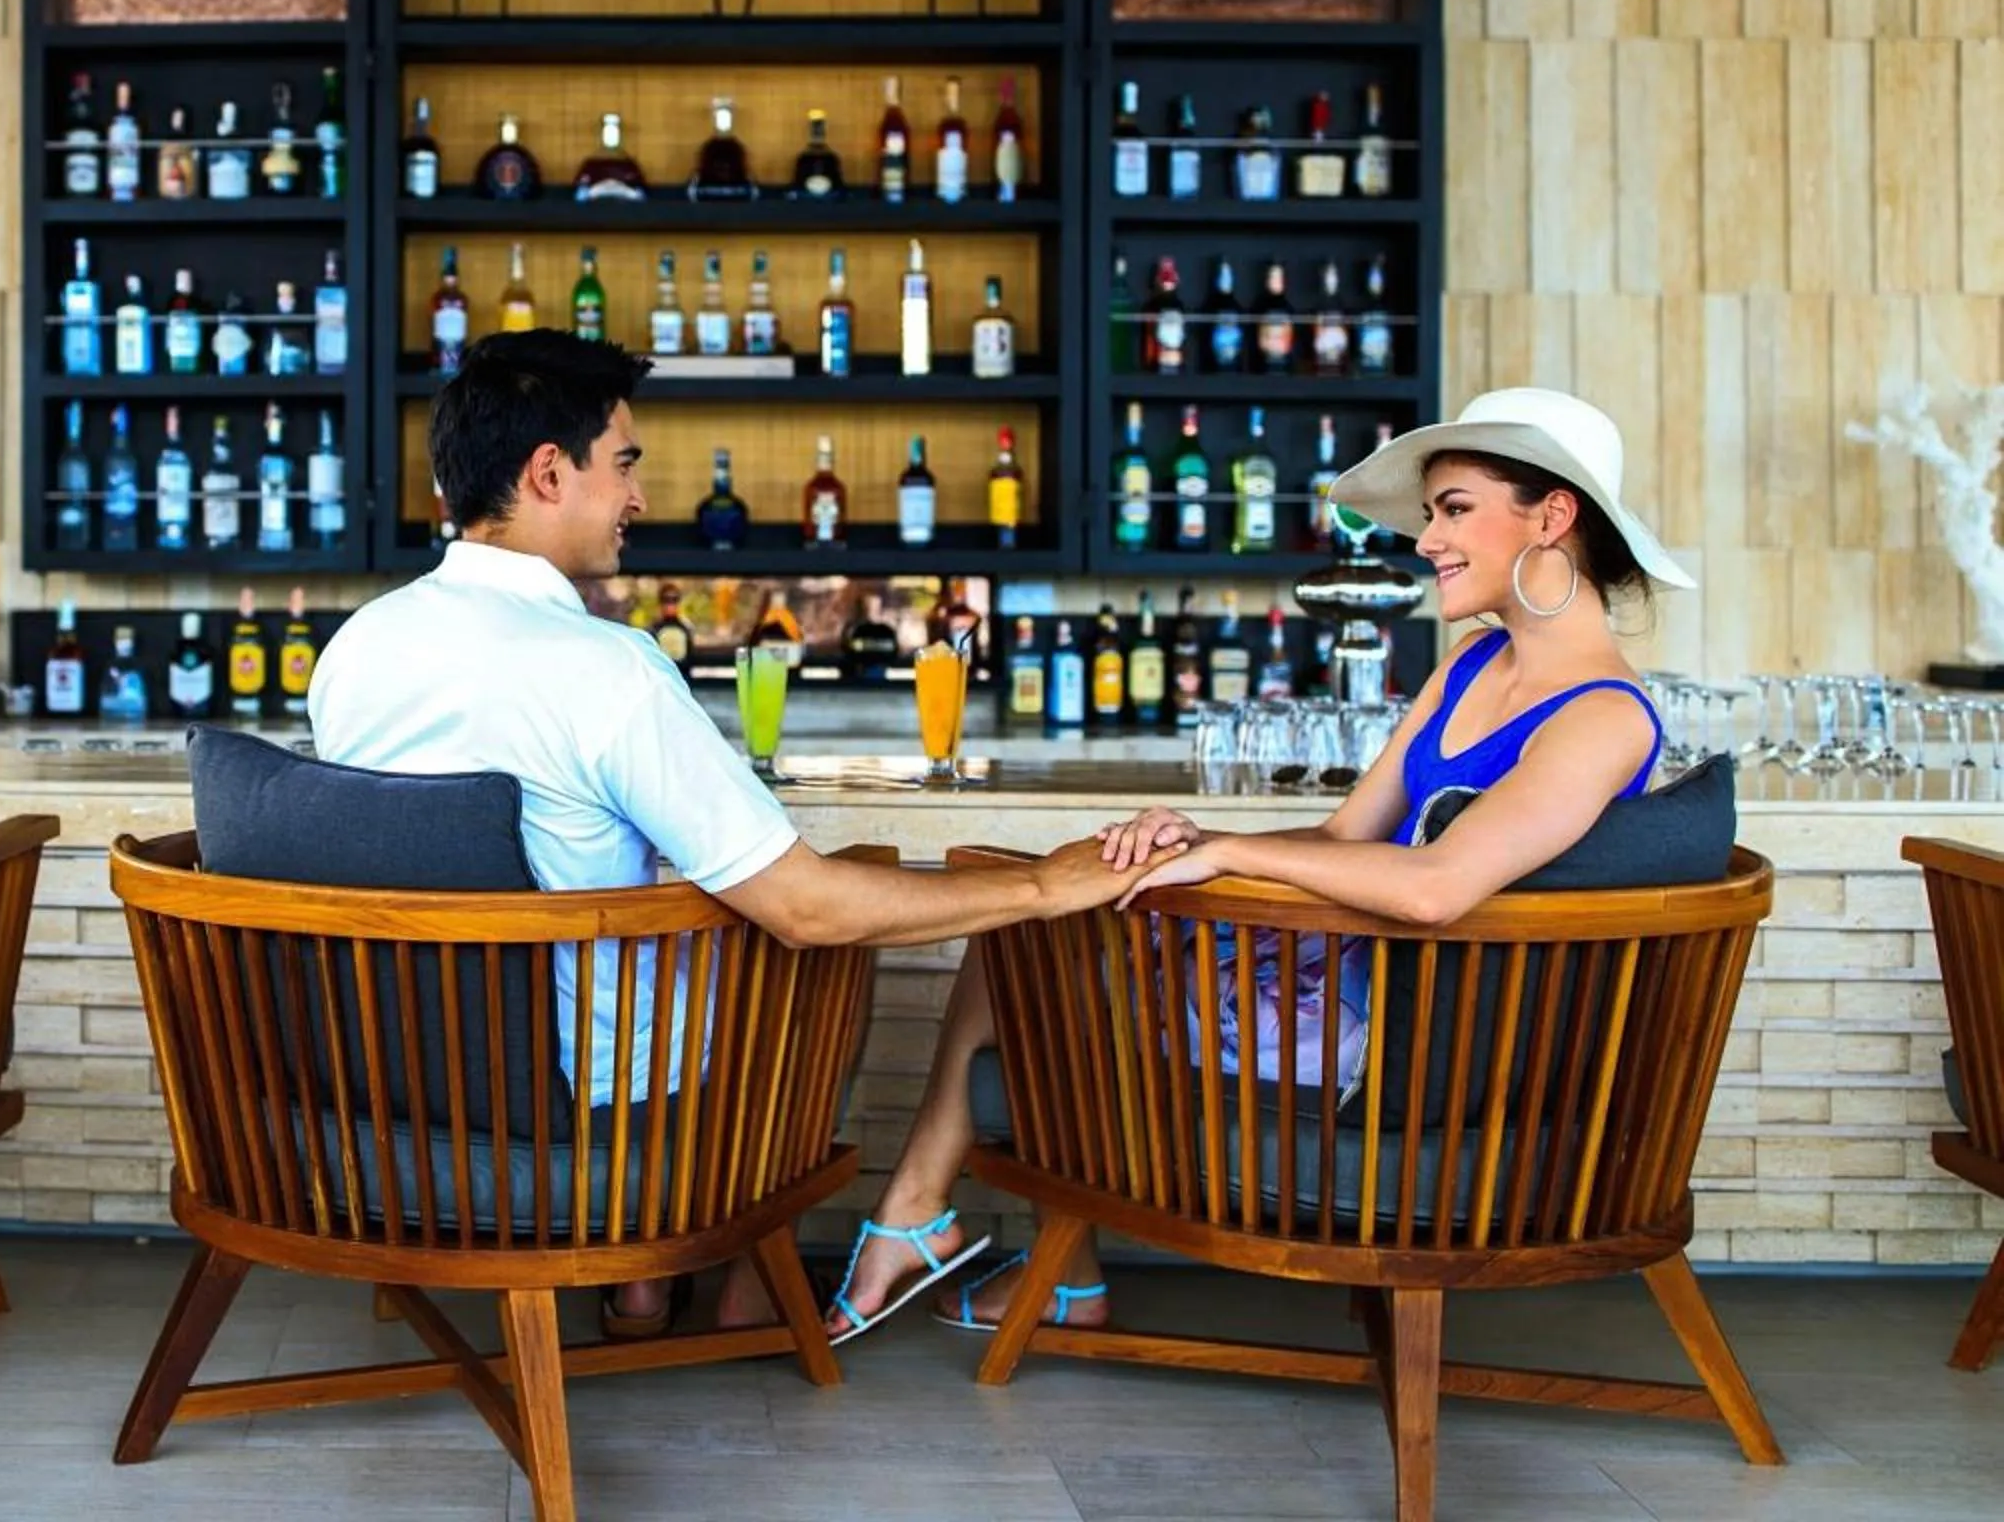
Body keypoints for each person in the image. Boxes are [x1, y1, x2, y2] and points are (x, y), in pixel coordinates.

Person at [306, 330, 1135, 1336]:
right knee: (812, 936)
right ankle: (738, 1270)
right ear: (549, 471)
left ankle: (657, 1286)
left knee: (703, 909)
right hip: (585, 1125)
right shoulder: (606, 669)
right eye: (625, 464)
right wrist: (1044, 883)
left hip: (383, 1094)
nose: (639, 498)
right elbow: (808, 907)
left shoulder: (356, 649)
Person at [825, 385, 1694, 1344]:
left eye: (1452, 511)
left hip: (1406, 1043)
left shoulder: (1604, 716)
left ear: (1553, 516)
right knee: (1046, 914)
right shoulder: (1474, 668)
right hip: (1355, 980)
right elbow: (1343, 839)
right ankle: (977, 1241)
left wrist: (1229, 854)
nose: (1425, 540)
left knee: (1043, 938)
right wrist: (1195, 845)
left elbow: (1441, 887)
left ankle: (950, 1231)